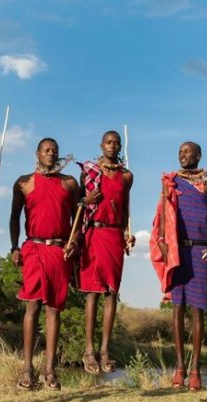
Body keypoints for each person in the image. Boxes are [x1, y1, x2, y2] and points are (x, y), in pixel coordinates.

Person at [149, 141, 207, 392]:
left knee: (197, 311)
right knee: (177, 309)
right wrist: (162, 243)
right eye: (180, 152)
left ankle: (196, 371)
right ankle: (179, 368)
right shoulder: (170, 180)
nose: (182, 155)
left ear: (199, 155)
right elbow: (162, 214)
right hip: (176, 250)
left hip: (201, 250)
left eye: (187, 152)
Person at [10, 138, 79, 391]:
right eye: (46, 150)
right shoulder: (24, 183)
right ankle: (27, 369)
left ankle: (50, 371)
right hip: (34, 247)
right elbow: (14, 218)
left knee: (54, 309)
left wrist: (74, 242)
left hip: (59, 250)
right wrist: (14, 247)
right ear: (37, 153)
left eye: (55, 151)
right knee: (33, 305)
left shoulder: (70, 183)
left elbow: (77, 220)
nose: (51, 154)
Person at [77, 130, 135, 375]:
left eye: (116, 143)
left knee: (112, 292)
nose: (112, 146)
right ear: (101, 145)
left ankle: (104, 350)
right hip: (93, 233)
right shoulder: (89, 172)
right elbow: (79, 205)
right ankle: (88, 350)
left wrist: (127, 233)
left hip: (114, 236)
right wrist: (87, 200)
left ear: (120, 147)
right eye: (108, 142)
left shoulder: (127, 176)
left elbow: (126, 209)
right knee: (92, 293)